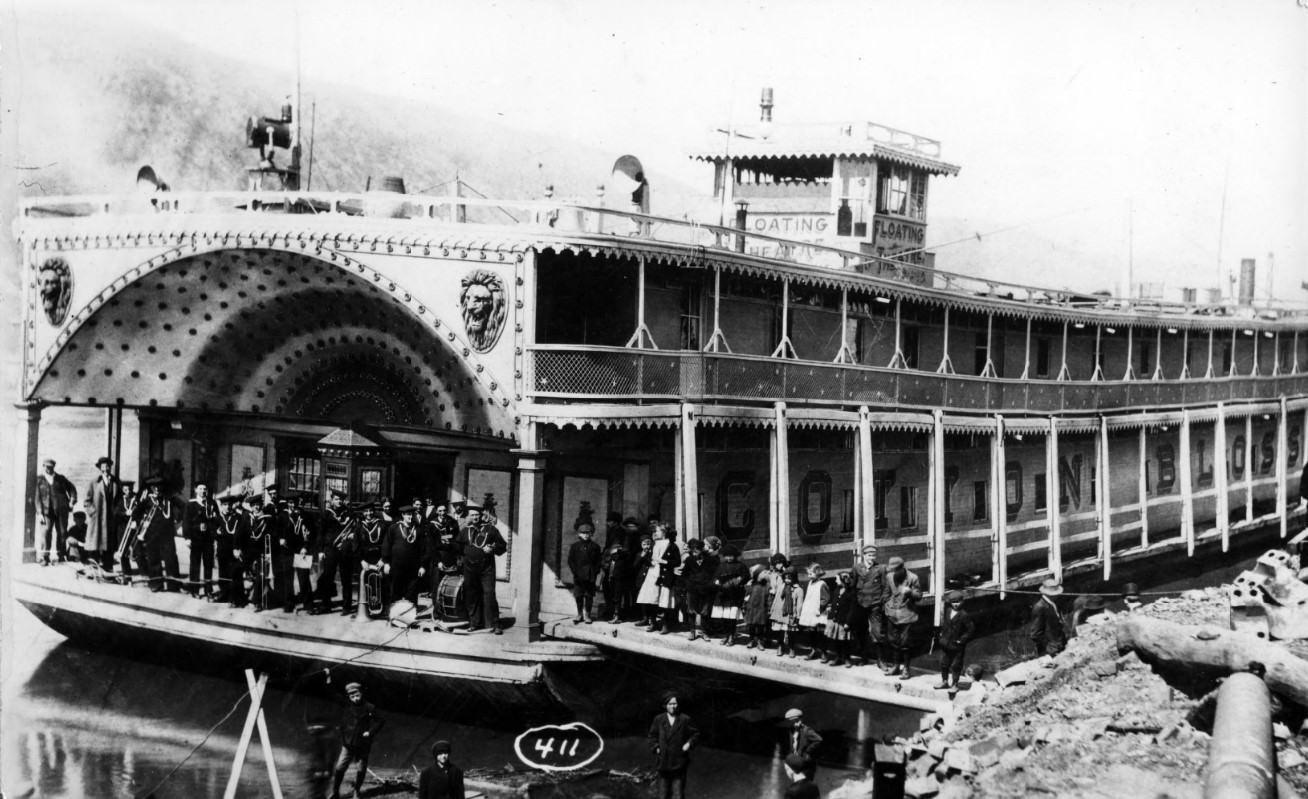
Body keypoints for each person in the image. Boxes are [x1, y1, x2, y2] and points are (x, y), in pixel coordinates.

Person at [329, 681, 385, 799]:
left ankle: (357, 791)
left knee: (361, 769)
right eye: (352, 696)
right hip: (348, 743)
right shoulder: (346, 704)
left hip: (363, 744)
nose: (355, 698)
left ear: (361, 694)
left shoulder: (369, 707)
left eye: (357, 695)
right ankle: (335, 792)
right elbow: (333, 694)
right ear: (349, 697)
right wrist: (329, 679)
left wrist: (370, 732)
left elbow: (381, 721)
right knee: (339, 767)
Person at [460, 504, 507, 633]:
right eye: (472, 515)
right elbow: (457, 547)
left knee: (489, 594)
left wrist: (492, 548)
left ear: (481, 516)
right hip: (469, 568)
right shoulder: (465, 531)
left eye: (477, 515)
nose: (475, 517)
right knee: (471, 595)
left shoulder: (490, 530)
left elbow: (503, 545)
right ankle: (474, 622)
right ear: (469, 516)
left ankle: (495, 624)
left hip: (487, 569)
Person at [133, 475, 180, 592]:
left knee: (171, 558)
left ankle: (173, 585)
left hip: (167, 535)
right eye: (154, 488)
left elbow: (184, 508)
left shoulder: (169, 499)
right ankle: (156, 583)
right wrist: (139, 523)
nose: (157, 490)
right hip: (151, 535)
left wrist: (177, 519)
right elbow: (136, 513)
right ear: (151, 488)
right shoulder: (148, 500)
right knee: (154, 559)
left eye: (159, 487)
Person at [647, 694, 699, 799]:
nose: (673, 706)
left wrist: (688, 744)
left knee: (677, 795)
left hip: (678, 763)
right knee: (662, 795)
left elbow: (695, 734)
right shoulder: (659, 719)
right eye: (670, 704)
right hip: (663, 763)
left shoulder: (685, 719)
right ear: (665, 705)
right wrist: (656, 747)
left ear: (678, 705)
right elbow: (652, 736)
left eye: (675, 703)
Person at [316, 490, 357, 614]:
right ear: (332, 500)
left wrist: (352, 535)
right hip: (330, 549)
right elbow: (320, 533)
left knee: (346, 578)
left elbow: (356, 529)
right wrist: (320, 550)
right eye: (336, 499)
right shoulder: (326, 514)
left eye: (340, 499)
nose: (338, 502)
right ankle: (325, 605)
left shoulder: (349, 513)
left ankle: (347, 606)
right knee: (327, 577)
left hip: (345, 550)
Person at [883, 557, 922, 679]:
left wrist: (910, 592)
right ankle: (895, 666)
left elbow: (919, 596)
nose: (894, 572)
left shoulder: (913, 578)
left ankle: (905, 668)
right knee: (893, 641)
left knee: (905, 643)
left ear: (901, 568)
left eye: (896, 570)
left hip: (907, 615)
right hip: (892, 614)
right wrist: (886, 604)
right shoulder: (889, 576)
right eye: (892, 570)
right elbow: (886, 593)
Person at [851, 544, 888, 669]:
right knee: (861, 632)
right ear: (864, 556)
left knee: (877, 632)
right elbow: (853, 586)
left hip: (875, 604)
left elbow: (885, 587)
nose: (871, 557)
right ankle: (864, 657)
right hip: (861, 604)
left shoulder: (881, 568)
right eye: (869, 555)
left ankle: (881, 660)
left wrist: (882, 603)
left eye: (873, 555)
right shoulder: (857, 568)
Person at [35, 458, 77, 564]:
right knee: (46, 532)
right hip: (46, 512)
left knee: (62, 533)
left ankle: (61, 555)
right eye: (46, 467)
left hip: (62, 510)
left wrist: (72, 502)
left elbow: (72, 489)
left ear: (54, 467)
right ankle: (45, 557)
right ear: (43, 466)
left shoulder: (61, 478)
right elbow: (37, 497)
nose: (48, 469)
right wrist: (39, 513)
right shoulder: (39, 480)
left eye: (50, 467)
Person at [183, 483, 221, 599]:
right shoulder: (191, 504)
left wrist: (214, 529)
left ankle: (208, 590)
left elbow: (217, 520)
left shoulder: (212, 503)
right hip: (195, 539)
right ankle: (194, 589)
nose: (203, 491)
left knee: (208, 565)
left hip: (208, 540)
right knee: (195, 565)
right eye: (200, 489)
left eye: (205, 489)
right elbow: (186, 522)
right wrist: (187, 537)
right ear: (195, 490)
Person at [384, 504, 426, 607]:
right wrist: (386, 563)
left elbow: (424, 549)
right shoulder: (393, 528)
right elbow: (386, 545)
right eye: (407, 515)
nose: (410, 517)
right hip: (397, 566)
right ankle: (395, 617)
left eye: (411, 514)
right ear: (403, 515)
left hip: (413, 567)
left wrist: (422, 566)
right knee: (395, 592)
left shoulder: (418, 530)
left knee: (411, 593)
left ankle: (409, 618)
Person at [85, 456, 122, 570]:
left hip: (110, 518)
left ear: (110, 467)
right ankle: (93, 568)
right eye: (103, 467)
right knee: (95, 542)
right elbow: (87, 500)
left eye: (107, 466)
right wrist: (93, 513)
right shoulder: (94, 482)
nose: (105, 469)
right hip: (98, 517)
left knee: (109, 544)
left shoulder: (116, 482)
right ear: (100, 468)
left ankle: (108, 567)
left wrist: (116, 512)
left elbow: (120, 499)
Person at [934, 590, 975, 690]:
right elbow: (945, 624)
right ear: (950, 602)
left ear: (962, 602)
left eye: (958, 602)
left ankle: (955, 684)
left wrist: (962, 640)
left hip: (957, 645)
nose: (955, 605)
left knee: (956, 665)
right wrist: (941, 635)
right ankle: (944, 681)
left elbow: (971, 629)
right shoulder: (948, 610)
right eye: (953, 602)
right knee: (944, 664)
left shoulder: (963, 615)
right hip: (946, 643)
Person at [680, 538, 719, 641]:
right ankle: (692, 631)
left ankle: (704, 632)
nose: (695, 552)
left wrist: (710, 584)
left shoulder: (710, 560)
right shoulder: (689, 560)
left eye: (697, 549)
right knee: (691, 611)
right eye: (693, 550)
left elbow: (714, 574)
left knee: (705, 611)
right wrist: (688, 585)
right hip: (692, 589)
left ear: (702, 549)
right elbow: (684, 575)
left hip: (706, 589)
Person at [216, 491, 249, 606]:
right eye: (225, 505)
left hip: (234, 550)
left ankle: (236, 598)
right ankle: (224, 594)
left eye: (229, 504)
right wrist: (216, 532)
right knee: (223, 573)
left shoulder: (238, 518)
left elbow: (242, 534)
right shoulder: (218, 518)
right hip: (222, 550)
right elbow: (212, 533)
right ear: (222, 506)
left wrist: (239, 549)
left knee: (235, 573)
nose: (228, 507)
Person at [567, 520, 603, 623]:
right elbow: (570, 561)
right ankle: (579, 614)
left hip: (590, 576)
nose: (586, 535)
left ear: (591, 534)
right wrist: (575, 572)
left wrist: (595, 571)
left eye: (588, 533)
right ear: (579, 534)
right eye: (583, 533)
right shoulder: (575, 546)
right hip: (578, 575)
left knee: (589, 596)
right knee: (579, 595)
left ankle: (587, 615)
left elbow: (598, 561)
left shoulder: (595, 547)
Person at [824, 571, 858, 667]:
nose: (835, 581)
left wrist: (848, 622)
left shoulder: (851, 592)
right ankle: (838, 657)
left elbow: (852, 609)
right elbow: (834, 603)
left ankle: (847, 658)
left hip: (843, 621)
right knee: (836, 640)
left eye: (837, 579)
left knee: (844, 641)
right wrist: (830, 614)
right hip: (835, 619)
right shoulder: (836, 590)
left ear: (843, 580)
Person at [798, 563, 831, 660]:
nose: (809, 576)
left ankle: (823, 652)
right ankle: (813, 649)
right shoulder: (810, 583)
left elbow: (825, 599)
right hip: (810, 612)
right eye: (808, 574)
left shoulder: (822, 584)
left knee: (820, 633)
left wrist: (819, 608)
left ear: (817, 573)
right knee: (811, 632)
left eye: (811, 574)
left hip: (818, 613)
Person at [1029, 579, 1067, 657]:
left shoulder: (1054, 603)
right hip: (1050, 650)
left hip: (1059, 643)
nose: (1058, 595)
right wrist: (1049, 647)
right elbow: (1035, 634)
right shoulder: (1039, 607)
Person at [770, 567, 804, 657]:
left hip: (790, 614)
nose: (787, 580)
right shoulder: (781, 586)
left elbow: (799, 604)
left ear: (794, 578)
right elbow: (776, 598)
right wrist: (772, 609)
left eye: (789, 578)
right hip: (779, 613)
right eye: (785, 578)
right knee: (779, 631)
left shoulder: (798, 590)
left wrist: (798, 615)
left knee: (791, 632)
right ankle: (780, 646)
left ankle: (791, 648)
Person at [783, 708, 823, 779]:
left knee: (806, 781)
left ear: (801, 720)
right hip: (797, 760)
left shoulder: (806, 730)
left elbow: (819, 740)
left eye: (797, 721)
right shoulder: (791, 730)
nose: (796, 723)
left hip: (805, 762)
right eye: (793, 721)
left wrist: (808, 751)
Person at [743, 563, 771, 649]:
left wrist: (769, 608)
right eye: (764, 572)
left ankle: (760, 641)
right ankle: (751, 640)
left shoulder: (766, 585)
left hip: (762, 609)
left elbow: (768, 597)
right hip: (751, 608)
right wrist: (744, 606)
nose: (766, 574)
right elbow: (746, 596)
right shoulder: (751, 585)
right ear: (758, 574)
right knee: (751, 625)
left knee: (761, 626)